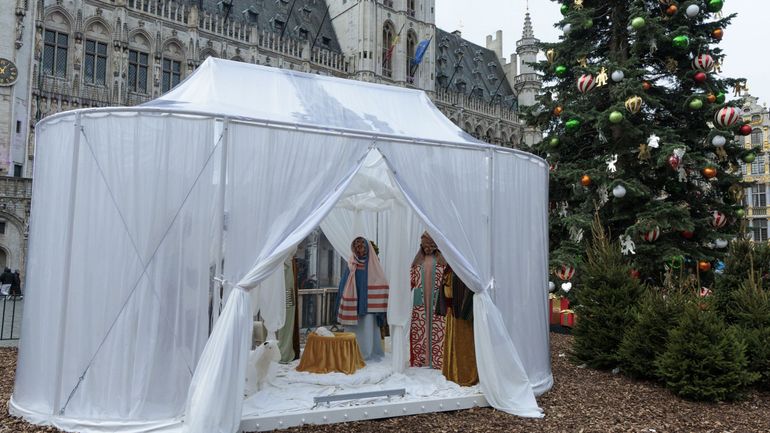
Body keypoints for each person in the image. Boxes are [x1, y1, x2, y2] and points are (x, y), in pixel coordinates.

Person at [337, 237, 389, 360]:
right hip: (353, 305)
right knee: (353, 330)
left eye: (362, 246)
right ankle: (350, 351)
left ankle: (367, 352)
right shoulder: (351, 264)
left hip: (368, 305)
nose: (359, 249)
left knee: (368, 327)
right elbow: (344, 282)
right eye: (357, 246)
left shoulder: (373, 265)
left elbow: (382, 281)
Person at [409, 232, 447, 369]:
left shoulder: (443, 262)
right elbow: (411, 280)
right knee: (420, 327)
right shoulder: (417, 261)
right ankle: (422, 358)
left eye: (430, 245)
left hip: (437, 300)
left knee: (438, 327)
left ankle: (438, 359)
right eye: (424, 246)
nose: (427, 248)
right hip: (421, 299)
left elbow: (447, 280)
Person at [436, 266, 478, 386]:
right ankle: (452, 372)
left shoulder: (464, 268)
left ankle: (466, 374)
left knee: (464, 343)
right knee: (454, 341)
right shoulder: (450, 267)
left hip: (461, 313)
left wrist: (462, 309)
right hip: (452, 313)